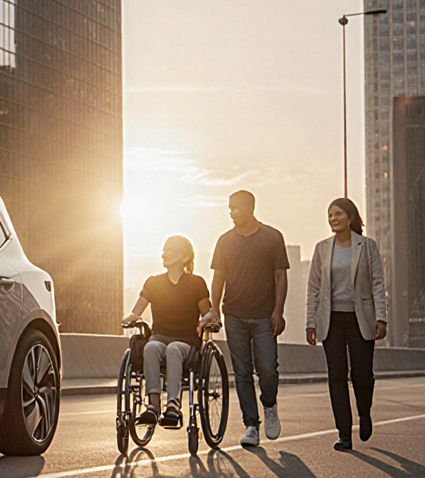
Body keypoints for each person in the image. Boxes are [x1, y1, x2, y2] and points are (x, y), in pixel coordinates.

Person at [205, 190, 289, 447]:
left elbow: (280, 277)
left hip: (264, 316)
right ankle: (251, 425)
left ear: (250, 207)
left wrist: (278, 310)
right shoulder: (224, 241)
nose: (232, 212)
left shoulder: (272, 237)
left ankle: (269, 403)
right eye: (230, 208)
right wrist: (214, 309)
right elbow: (218, 277)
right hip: (234, 315)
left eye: (237, 208)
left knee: (267, 369)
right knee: (241, 373)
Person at [305, 198, 387, 452]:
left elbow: (377, 284)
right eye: (329, 215)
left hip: (360, 318)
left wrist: (381, 317)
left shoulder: (367, 246)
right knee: (336, 377)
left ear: (350, 217)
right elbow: (313, 288)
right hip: (331, 321)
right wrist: (311, 322)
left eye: (338, 214)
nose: (333, 219)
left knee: (362, 375)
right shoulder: (322, 249)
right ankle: (344, 433)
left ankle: (364, 412)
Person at [122, 236, 212, 429]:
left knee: (173, 349)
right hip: (160, 336)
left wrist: (209, 319)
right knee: (151, 347)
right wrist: (131, 317)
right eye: (165, 250)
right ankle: (153, 406)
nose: (166, 253)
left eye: (172, 250)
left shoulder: (196, 283)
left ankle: (173, 405)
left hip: (186, 341)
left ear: (185, 256)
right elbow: (137, 310)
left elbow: (208, 312)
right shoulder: (153, 282)